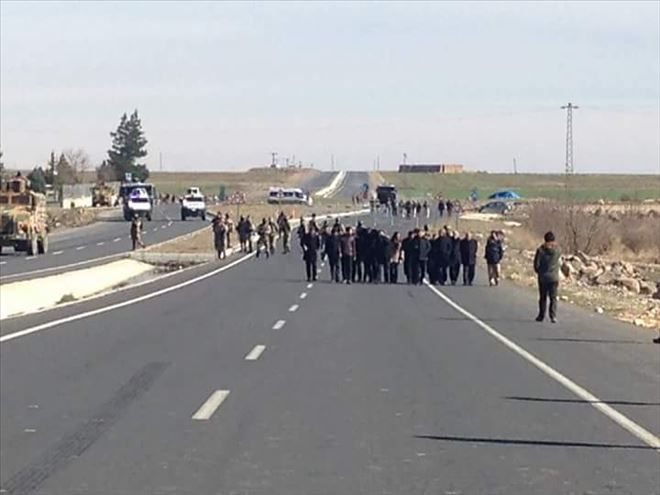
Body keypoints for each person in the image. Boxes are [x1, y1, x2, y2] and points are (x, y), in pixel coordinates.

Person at [533, 231, 562, 323]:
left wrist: (540, 272)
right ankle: (553, 316)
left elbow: (536, 265)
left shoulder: (540, 250)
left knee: (543, 297)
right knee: (553, 298)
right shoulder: (557, 250)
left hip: (543, 277)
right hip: (554, 278)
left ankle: (541, 316)